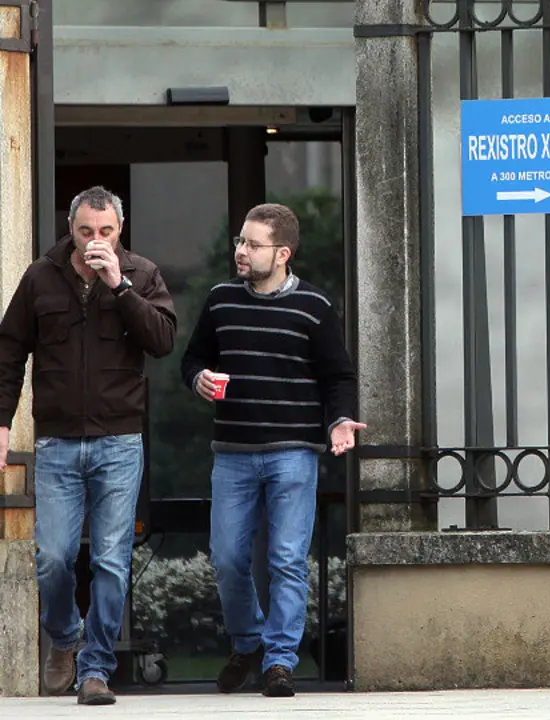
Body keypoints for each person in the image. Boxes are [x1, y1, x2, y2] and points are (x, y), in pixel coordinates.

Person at [0, 186, 176, 705]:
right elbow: (8, 354)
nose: (95, 241)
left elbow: (163, 340)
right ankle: (65, 638)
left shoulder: (141, 274)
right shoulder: (40, 276)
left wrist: (118, 285)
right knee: (53, 559)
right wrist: (3, 426)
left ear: (119, 232)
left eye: (106, 232)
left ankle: (95, 669)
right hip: (56, 443)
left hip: (120, 441)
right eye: (85, 232)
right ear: (70, 228)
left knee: (111, 560)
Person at [180, 202, 363, 698]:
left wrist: (341, 421)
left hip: (293, 453)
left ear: (282, 253)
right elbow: (192, 358)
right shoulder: (220, 301)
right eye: (240, 241)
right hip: (233, 452)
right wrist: (199, 378)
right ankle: (248, 641)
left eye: (252, 244)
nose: (241, 251)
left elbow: (338, 376)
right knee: (227, 558)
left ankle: (279, 662)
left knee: (285, 559)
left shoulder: (315, 308)